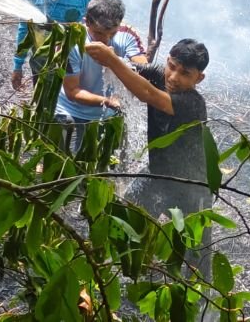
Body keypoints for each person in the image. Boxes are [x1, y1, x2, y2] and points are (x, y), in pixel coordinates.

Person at [85, 38, 213, 287]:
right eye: (171, 66)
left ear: (199, 79)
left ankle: (198, 302)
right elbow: (129, 70)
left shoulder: (192, 103)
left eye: (185, 73)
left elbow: (146, 94)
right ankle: (121, 274)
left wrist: (111, 59)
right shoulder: (159, 75)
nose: (174, 77)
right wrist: (108, 57)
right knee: (125, 216)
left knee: (195, 253)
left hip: (191, 186)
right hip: (157, 173)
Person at [54, 0, 148, 151]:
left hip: (106, 114)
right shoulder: (71, 41)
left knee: (97, 166)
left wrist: (114, 61)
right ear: (87, 22)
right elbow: (72, 91)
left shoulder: (127, 34)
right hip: (69, 111)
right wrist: (108, 101)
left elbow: (143, 71)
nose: (105, 39)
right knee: (63, 162)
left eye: (112, 33)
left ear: (120, 24)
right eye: (98, 33)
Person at [12, 0, 96, 90]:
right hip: (40, 64)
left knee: (70, 108)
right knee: (42, 107)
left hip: (73, 68)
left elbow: (91, 32)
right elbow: (24, 28)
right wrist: (17, 66)